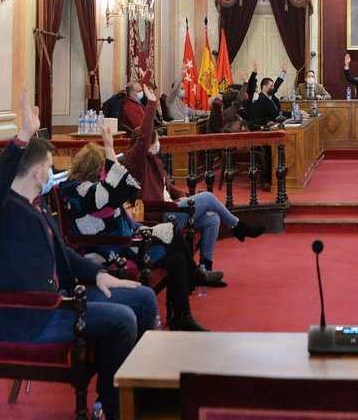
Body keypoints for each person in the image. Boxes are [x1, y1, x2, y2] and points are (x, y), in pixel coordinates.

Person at [0, 87, 157, 420]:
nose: (53, 174)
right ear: (39, 173)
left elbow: (64, 255)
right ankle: (110, 406)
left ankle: (133, 389)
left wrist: (99, 275)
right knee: (122, 320)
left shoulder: (37, 204)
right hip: (27, 317)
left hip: (57, 299)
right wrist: (24, 135)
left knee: (143, 298)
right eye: (49, 166)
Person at [61, 122, 220, 331]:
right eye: (104, 168)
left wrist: (109, 148)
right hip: (111, 249)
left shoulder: (94, 188)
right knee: (172, 232)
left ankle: (182, 315)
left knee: (177, 258)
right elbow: (118, 190)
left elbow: (114, 192)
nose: (106, 173)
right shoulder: (78, 190)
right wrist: (109, 149)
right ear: (95, 169)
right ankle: (195, 274)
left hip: (126, 238)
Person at [122, 84, 264, 274]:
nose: (158, 144)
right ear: (147, 144)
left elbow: (168, 187)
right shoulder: (135, 161)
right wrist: (152, 103)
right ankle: (237, 226)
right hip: (160, 213)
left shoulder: (154, 160)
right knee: (208, 197)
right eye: (156, 141)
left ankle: (205, 268)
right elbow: (144, 137)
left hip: (172, 205)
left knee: (212, 219)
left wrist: (183, 195)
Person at [246, 60, 286, 126]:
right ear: (264, 87)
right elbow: (276, 114)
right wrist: (254, 72)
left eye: (273, 86)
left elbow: (277, 84)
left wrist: (284, 72)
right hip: (270, 124)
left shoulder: (271, 95)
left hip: (276, 122)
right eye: (271, 86)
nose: (273, 88)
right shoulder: (261, 98)